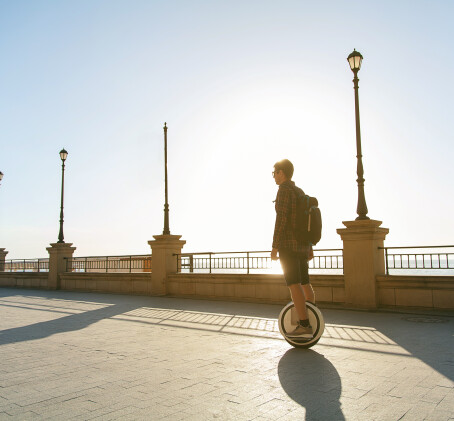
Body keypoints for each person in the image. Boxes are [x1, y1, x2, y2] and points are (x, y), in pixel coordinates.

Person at [271, 159, 315, 337]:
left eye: (275, 172)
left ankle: (304, 325)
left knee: (293, 284)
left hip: (289, 245)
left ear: (282, 172)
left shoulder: (284, 191)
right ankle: (311, 316)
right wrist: (310, 246)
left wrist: (274, 247)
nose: (273, 176)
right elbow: (308, 224)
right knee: (305, 283)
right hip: (303, 246)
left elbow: (281, 220)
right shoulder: (299, 191)